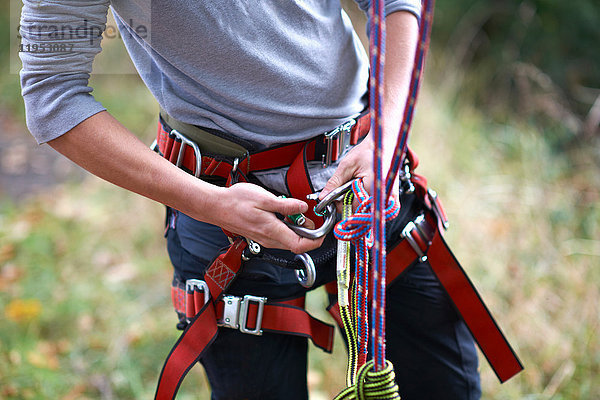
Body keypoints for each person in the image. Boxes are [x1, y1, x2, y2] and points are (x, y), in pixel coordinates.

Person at [19, 0, 482, 398]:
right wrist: (208, 203)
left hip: (369, 183)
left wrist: (386, 132)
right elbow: (52, 94)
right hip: (225, 219)